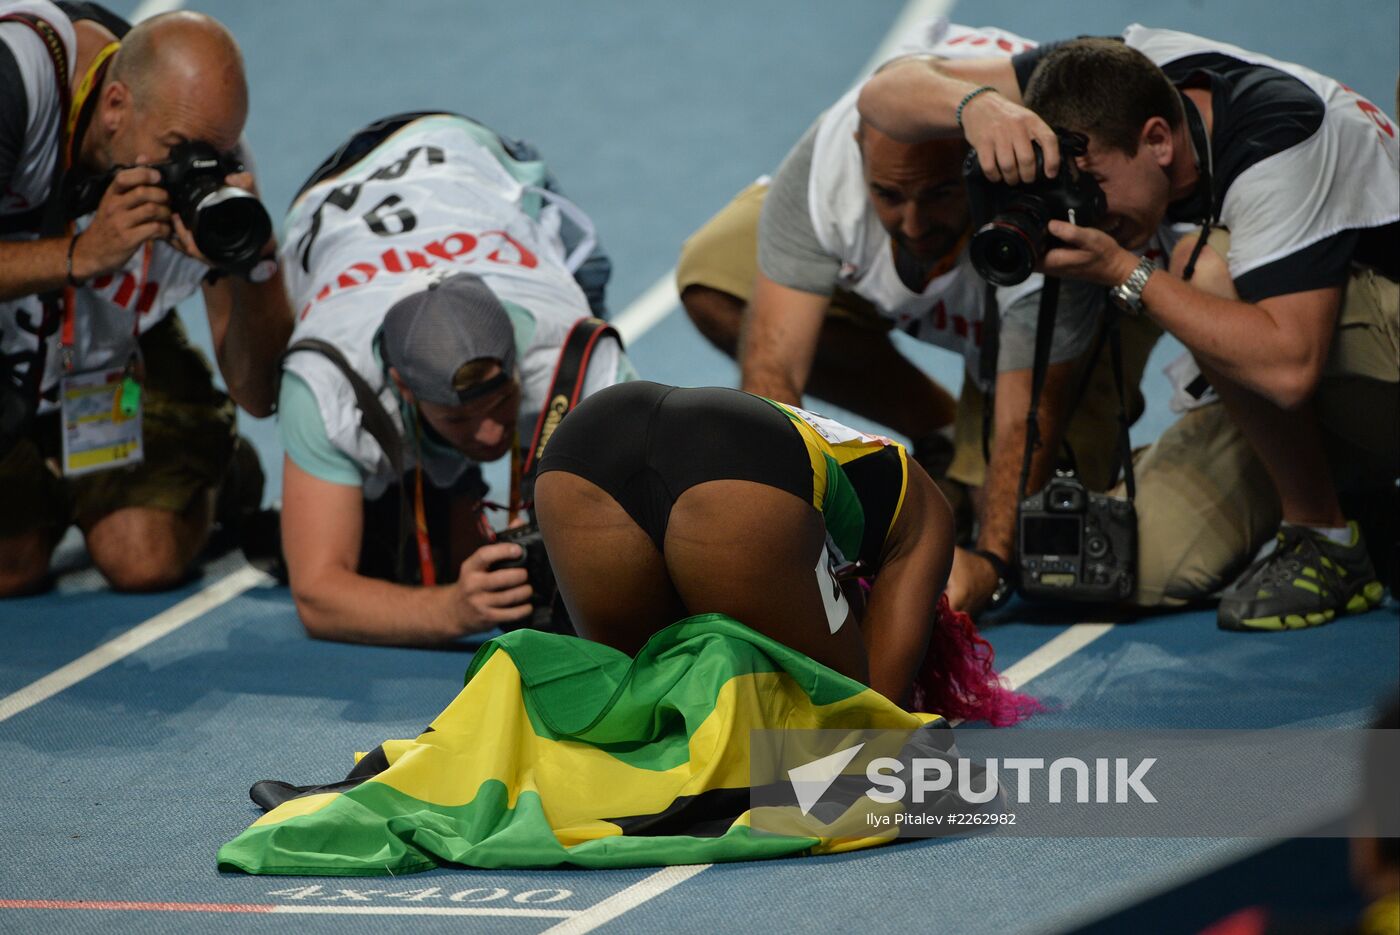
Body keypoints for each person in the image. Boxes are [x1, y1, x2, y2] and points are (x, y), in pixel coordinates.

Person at [856, 25, 1398, 629]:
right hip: (1272, 367)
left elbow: (1290, 369)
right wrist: (978, 107)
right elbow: (882, 94)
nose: (1090, 211)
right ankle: (1366, 499)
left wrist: (1123, 270)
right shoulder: (1106, 74)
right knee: (1117, 569)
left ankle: (1326, 536)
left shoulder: (1280, 131)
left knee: (1199, 270)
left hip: (1371, 348)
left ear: (1158, 141)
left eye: (1096, 186)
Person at [677, 18, 1168, 617]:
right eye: (888, 195)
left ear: (980, 172)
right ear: (860, 155)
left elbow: (1026, 418)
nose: (911, 225)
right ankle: (937, 431)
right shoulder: (826, 170)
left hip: (1074, 283)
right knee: (715, 277)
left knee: (1010, 525)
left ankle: (978, 464)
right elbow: (772, 376)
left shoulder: (1043, 217)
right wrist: (788, 539)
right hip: (941, 247)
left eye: (937, 194)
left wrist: (990, 565)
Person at [277, 112, 635, 646]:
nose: (491, 434)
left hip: (483, 166)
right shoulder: (326, 384)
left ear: (520, 365)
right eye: (460, 416)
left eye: (502, 403)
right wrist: (452, 609)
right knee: (398, 565)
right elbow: (318, 595)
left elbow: (648, 513)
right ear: (402, 389)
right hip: (329, 196)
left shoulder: (576, 353)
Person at [0, 3, 293, 595]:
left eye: (218, 151)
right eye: (178, 148)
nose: (194, 171)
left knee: (142, 559)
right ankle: (56, 482)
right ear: (115, 107)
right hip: (10, 345)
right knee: (10, 567)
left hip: (117, 344)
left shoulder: (217, 170)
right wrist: (78, 256)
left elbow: (259, 396)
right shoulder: (18, 78)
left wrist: (254, 265)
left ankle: (221, 470)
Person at [535, 380, 1038, 720]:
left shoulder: (869, 483)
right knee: (855, 748)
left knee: (645, 722)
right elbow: (880, 711)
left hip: (585, 441)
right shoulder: (924, 516)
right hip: (734, 458)